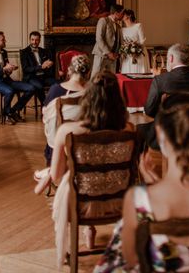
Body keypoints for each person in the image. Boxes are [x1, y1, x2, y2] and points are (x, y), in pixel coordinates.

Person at [94, 95, 189, 272]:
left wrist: (150, 189)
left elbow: (131, 259)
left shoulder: (139, 199)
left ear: (161, 133)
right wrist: (153, 184)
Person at [48, 71, 134, 268]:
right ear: (118, 100)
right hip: (118, 200)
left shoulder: (68, 131)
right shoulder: (130, 130)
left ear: (88, 98)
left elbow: (56, 177)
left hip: (82, 202)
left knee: (70, 179)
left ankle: (84, 236)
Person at [139, 43, 189, 150]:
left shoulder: (160, 80)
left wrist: (163, 112)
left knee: (139, 130)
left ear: (171, 58)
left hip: (167, 132)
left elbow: (149, 110)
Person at [40, 54, 91, 166]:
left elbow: (46, 114)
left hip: (59, 142)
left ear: (69, 71)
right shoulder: (93, 93)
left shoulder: (55, 90)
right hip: (86, 143)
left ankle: (53, 169)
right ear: (88, 73)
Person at [0, 31, 35, 124]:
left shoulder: (4, 52)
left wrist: (10, 69)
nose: (5, 41)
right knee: (9, 90)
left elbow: (5, 69)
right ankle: (6, 116)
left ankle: (11, 111)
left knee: (31, 88)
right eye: (3, 40)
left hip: (6, 80)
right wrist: (3, 69)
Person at [20, 31, 56, 106]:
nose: (34, 42)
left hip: (44, 76)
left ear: (39, 40)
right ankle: (45, 105)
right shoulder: (24, 52)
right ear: (29, 40)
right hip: (31, 77)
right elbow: (26, 69)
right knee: (39, 86)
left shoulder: (44, 51)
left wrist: (50, 64)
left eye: (36, 40)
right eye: (32, 39)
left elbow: (48, 63)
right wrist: (41, 67)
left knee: (58, 83)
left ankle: (56, 104)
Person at [91, 4, 124, 78]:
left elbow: (118, 42)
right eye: (122, 13)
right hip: (101, 55)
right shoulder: (103, 20)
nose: (123, 15)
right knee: (95, 78)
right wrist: (108, 53)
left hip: (113, 58)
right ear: (116, 13)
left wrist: (117, 54)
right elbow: (99, 38)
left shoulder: (118, 26)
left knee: (111, 80)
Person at [119, 9, 150, 75]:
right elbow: (123, 43)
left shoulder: (138, 26)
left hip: (139, 53)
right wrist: (125, 50)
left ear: (129, 15)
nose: (121, 16)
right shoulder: (122, 30)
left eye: (123, 14)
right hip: (127, 56)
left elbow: (142, 41)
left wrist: (136, 49)